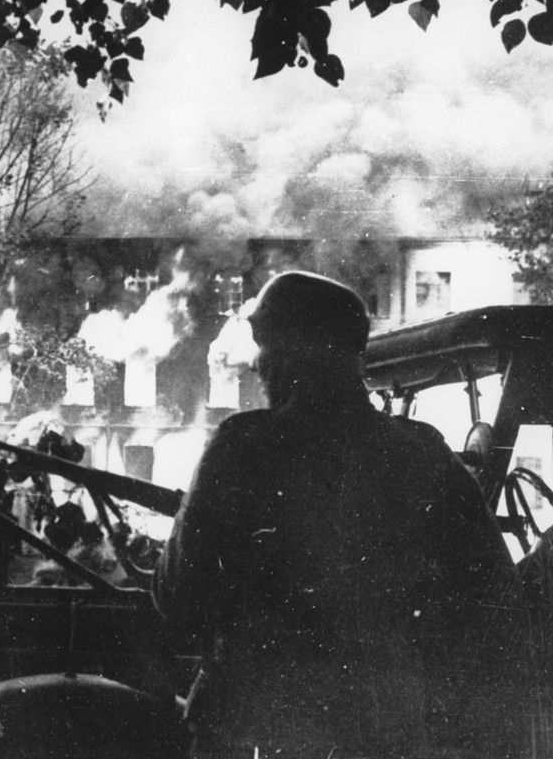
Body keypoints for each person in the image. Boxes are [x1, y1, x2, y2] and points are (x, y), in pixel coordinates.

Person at [152, 271, 536, 759]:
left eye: (266, 347)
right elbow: (493, 603)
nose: (259, 365)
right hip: (385, 734)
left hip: (255, 733)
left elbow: (178, 600)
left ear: (291, 353)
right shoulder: (423, 455)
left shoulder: (242, 449)